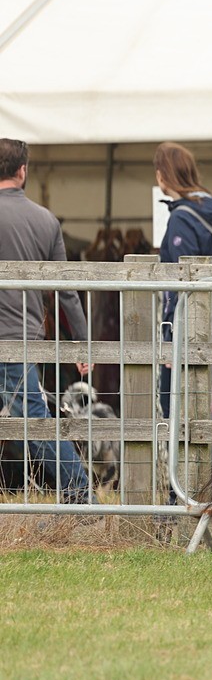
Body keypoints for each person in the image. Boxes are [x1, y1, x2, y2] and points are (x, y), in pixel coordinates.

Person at [0, 138, 93, 503]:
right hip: (21, 337)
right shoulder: (46, 220)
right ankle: (81, 495)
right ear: (23, 171)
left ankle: (82, 495)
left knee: (33, 420)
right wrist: (82, 343)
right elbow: (66, 290)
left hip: (13, 336)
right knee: (36, 422)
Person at [154, 141, 212, 418]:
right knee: (200, 405)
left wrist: (173, 335)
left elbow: (183, 280)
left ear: (161, 175)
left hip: (188, 327)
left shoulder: (182, 219)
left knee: (175, 408)